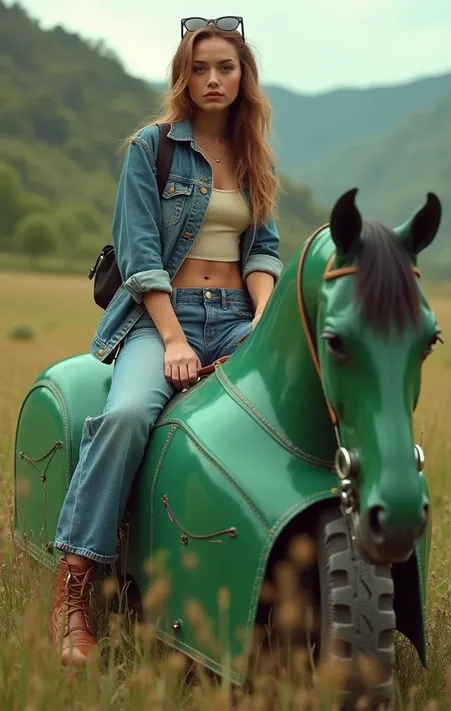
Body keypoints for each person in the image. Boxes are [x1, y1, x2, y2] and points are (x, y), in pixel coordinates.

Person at [50, 16, 283, 667]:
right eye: (201, 67)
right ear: (184, 75)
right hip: (163, 314)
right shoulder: (150, 149)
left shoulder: (254, 154)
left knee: (305, 401)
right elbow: (141, 255)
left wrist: (264, 320)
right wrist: (175, 339)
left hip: (239, 312)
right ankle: (74, 585)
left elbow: (263, 249)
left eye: (226, 68)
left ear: (244, 77)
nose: (213, 79)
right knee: (126, 416)